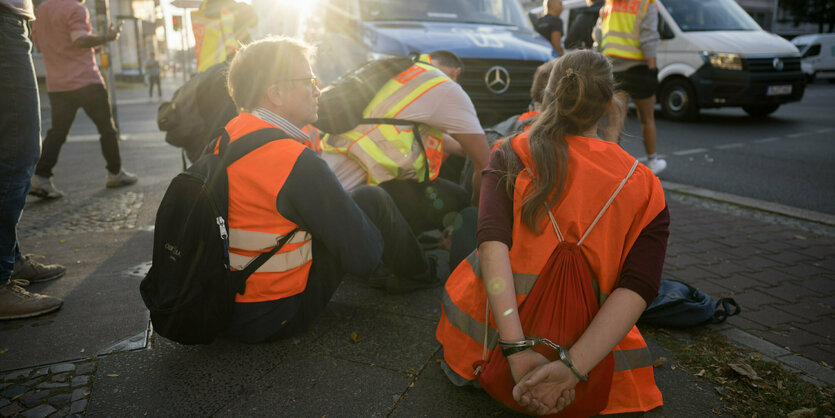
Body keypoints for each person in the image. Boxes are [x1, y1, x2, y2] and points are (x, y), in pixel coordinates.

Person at [436, 50, 669, 415]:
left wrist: (514, 350)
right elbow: (638, 286)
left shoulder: (510, 154)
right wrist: (571, 369)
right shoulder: (644, 186)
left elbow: (491, 247)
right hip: (591, 359)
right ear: (610, 104)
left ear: (548, 96)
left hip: (487, 344)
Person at [219, 37, 436, 343]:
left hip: (228, 302)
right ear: (276, 93)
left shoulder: (226, 138)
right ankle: (420, 273)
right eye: (309, 80)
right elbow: (364, 257)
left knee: (351, 204)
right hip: (275, 313)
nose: (318, 89)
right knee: (371, 198)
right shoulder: (294, 161)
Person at [321, 50, 490, 237]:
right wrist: (475, 212)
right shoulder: (446, 87)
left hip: (331, 186)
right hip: (361, 201)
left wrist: (464, 148)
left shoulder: (400, 72)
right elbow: (484, 164)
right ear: (455, 73)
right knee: (459, 200)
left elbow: (399, 128)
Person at [1, 0, 67, 320]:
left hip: (10, 23)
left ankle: (11, 261)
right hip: (4, 25)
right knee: (17, 153)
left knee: (9, 151)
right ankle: (1, 281)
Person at [30, 0, 137, 199]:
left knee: (57, 133)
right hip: (86, 81)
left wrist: (90, 47)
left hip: (58, 84)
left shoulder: (41, 11)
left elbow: (44, 45)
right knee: (107, 129)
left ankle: (41, 177)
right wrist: (106, 38)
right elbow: (78, 40)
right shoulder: (74, 8)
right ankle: (115, 173)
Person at [595, 0, 666, 174]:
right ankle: (652, 161)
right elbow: (649, 38)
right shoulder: (645, 4)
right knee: (646, 118)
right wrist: (652, 68)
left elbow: (598, 35)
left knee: (614, 122)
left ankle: (607, 165)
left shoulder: (609, 4)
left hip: (612, 66)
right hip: (639, 68)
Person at [192, 0, 257, 72]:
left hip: (211, 62)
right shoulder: (239, 7)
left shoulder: (206, 7)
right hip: (237, 57)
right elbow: (254, 22)